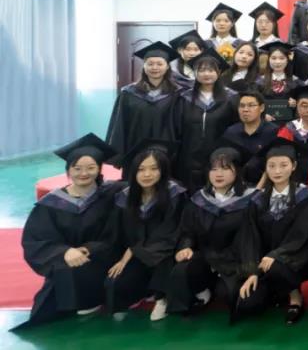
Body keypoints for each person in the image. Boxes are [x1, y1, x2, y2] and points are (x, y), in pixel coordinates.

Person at [16, 134, 124, 329]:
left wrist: (88, 249)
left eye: (91, 167)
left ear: (99, 169)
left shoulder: (111, 195)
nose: (84, 173)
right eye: (77, 168)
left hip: (103, 257)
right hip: (67, 261)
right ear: (68, 170)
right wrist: (64, 252)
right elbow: (36, 240)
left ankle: (94, 300)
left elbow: (117, 234)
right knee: (61, 281)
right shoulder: (51, 204)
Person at [165, 141, 264, 321]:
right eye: (214, 169)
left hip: (237, 261)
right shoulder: (198, 199)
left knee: (244, 301)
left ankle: (221, 286)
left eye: (225, 168)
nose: (218, 174)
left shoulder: (251, 198)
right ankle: (203, 291)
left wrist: (251, 269)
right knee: (182, 270)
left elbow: (252, 238)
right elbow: (188, 231)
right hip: (207, 256)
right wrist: (185, 246)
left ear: (237, 171)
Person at [105, 140, 185, 322]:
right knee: (114, 282)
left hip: (166, 252)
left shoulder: (175, 194)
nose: (147, 174)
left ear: (163, 170)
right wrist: (125, 254)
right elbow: (120, 233)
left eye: (154, 169)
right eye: (141, 169)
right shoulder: (125, 197)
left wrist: (133, 250)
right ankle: (142, 293)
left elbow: (171, 231)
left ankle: (162, 298)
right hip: (137, 252)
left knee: (164, 260)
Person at [244, 138, 308, 324]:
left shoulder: (306, 197)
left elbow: (302, 233)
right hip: (264, 263)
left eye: (283, 165)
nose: (277, 171)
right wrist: (253, 271)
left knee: (276, 267)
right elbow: (251, 236)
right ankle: (275, 290)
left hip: (297, 259)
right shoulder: (257, 200)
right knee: (248, 304)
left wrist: (277, 255)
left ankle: (295, 296)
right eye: (271, 166)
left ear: (294, 166)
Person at [106, 42, 182, 174]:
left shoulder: (177, 94)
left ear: (167, 67)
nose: (154, 67)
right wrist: (118, 155)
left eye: (159, 64)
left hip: (166, 152)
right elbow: (119, 125)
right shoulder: (129, 93)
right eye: (150, 64)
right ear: (144, 66)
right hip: (135, 150)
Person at [175, 50, 239, 189]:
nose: (206, 74)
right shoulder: (183, 97)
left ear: (219, 72)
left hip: (220, 155)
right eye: (201, 70)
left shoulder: (231, 98)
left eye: (211, 70)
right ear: (195, 73)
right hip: (188, 155)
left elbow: (235, 128)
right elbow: (177, 128)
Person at [223, 91, 281, 185]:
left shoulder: (273, 132)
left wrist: (260, 187)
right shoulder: (231, 132)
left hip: (266, 184)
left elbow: (276, 163)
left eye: (251, 105)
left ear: (261, 108)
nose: (245, 110)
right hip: (236, 184)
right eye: (242, 106)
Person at [255, 42, 303, 124]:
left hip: (289, 126)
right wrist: (262, 115)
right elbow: (254, 103)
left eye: (282, 58)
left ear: (287, 60)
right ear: (268, 60)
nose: (277, 62)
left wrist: (297, 103)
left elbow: (303, 105)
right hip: (266, 125)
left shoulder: (297, 82)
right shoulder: (259, 82)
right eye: (273, 58)